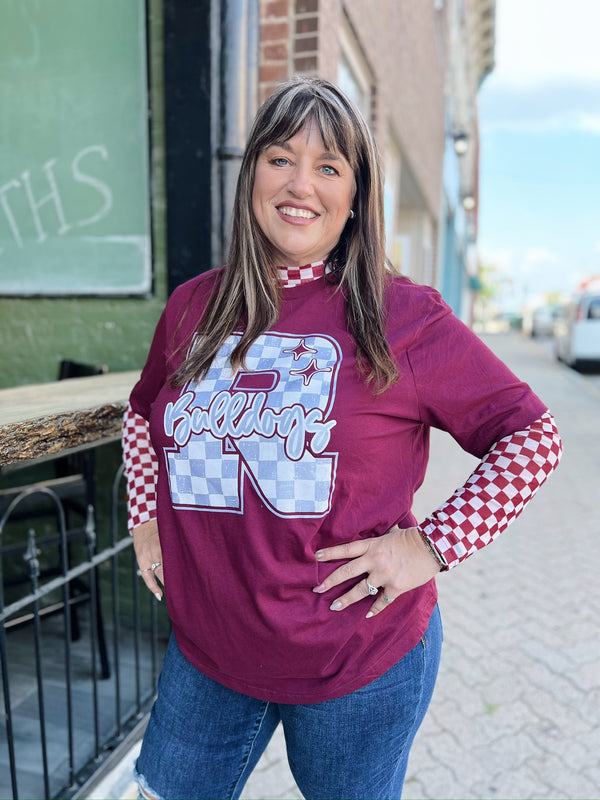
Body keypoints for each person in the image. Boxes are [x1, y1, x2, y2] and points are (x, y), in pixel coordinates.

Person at [122, 77, 562, 800]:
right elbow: (143, 413)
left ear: (355, 198)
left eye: (328, 167)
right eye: (280, 158)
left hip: (356, 660)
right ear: (252, 173)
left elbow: (533, 437)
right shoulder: (192, 305)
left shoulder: (403, 316)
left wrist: (431, 544)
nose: (301, 184)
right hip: (208, 651)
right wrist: (145, 515)